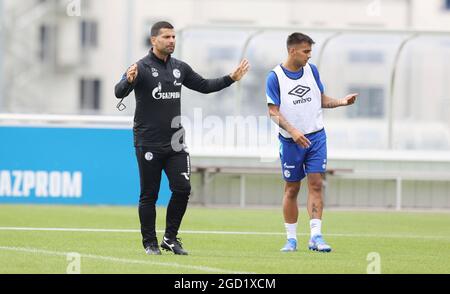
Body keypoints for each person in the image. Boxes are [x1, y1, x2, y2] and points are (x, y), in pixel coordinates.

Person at [115, 21, 249, 255]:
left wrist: (231, 78)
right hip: (148, 141)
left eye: (174, 37)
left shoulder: (180, 68)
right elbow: (119, 91)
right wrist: (127, 80)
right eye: (166, 37)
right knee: (150, 195)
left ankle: (170, 238)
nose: (171, 41)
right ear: (153, 40)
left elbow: (205, 86)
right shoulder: (141, 67)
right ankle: (150, 243)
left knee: (183, 188)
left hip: (176, 142)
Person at [265, 32, 357, 252]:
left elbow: (321, 100)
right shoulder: (275, 77)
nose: (309, 56)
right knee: (292, 189)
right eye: (306, 52)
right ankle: (291, 239)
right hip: (290, 142)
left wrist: (341, 102)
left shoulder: (312, 71)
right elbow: (272, 112)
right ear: (292, 50)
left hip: (316, 137)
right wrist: (293, 131)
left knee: (316, 183)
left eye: (310, 52)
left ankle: (316, 236)